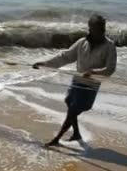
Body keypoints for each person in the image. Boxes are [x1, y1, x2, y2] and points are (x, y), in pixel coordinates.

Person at [33, 14, 117, 147]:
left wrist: (94, 72)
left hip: (91, 84)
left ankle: (57, 139)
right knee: (69, 102)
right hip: (77, 80)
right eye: (94, 28)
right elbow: (65, 57)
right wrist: (45, 64)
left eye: (101, 29)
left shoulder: (109, 46)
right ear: (90, 28)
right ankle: (76, 133)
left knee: (73, 110)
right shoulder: (82, 42)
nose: (97, 32)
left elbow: (110, 69)